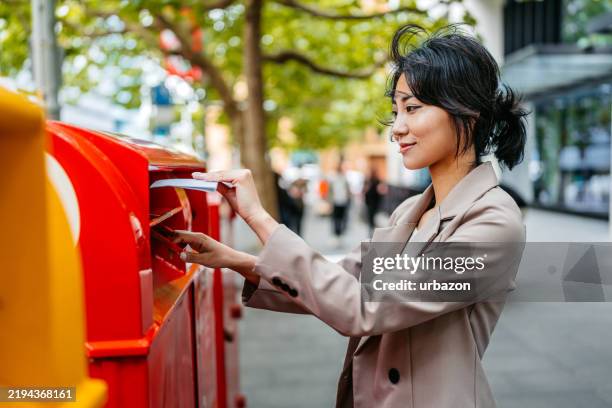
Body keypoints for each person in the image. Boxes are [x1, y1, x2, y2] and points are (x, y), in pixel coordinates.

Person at [171, 24, 527, 408]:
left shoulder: (494, 223)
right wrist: (235, 259)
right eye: (396, 111)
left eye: (412, 108)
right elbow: (345, 279)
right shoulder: (412, 209)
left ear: (467, 113)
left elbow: (367, 306)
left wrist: (259, 217)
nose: (398, 128)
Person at [328, 163, 352, 244]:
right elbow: (330, 191)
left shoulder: (344, 179)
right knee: (335, 219)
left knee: (342, 219)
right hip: (335, 202)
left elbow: (348, 190)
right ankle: (336, 234)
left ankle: (340, 234)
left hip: (343, 202)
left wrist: (348, 198)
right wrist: (330, 202)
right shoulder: (333, 179)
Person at [363, 169, 383, 235]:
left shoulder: (376, 181)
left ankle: (372, 229)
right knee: (370, 216)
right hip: (370, 201)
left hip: (374, 201)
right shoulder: (368, 181)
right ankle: (371, 229)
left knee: (371, 216)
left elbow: (380, 191)